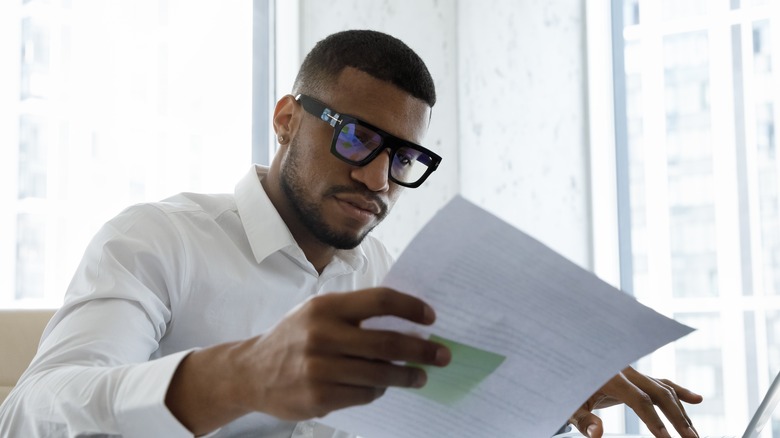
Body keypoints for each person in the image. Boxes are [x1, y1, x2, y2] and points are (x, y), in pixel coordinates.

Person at [0, 29, 702, 438]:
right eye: (358, 138)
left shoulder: (387, 279)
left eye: (404, 158)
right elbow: (30, 415)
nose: (378, 181)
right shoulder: (156, 241)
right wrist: (241, 375)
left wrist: (541, 397)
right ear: (286, 119)